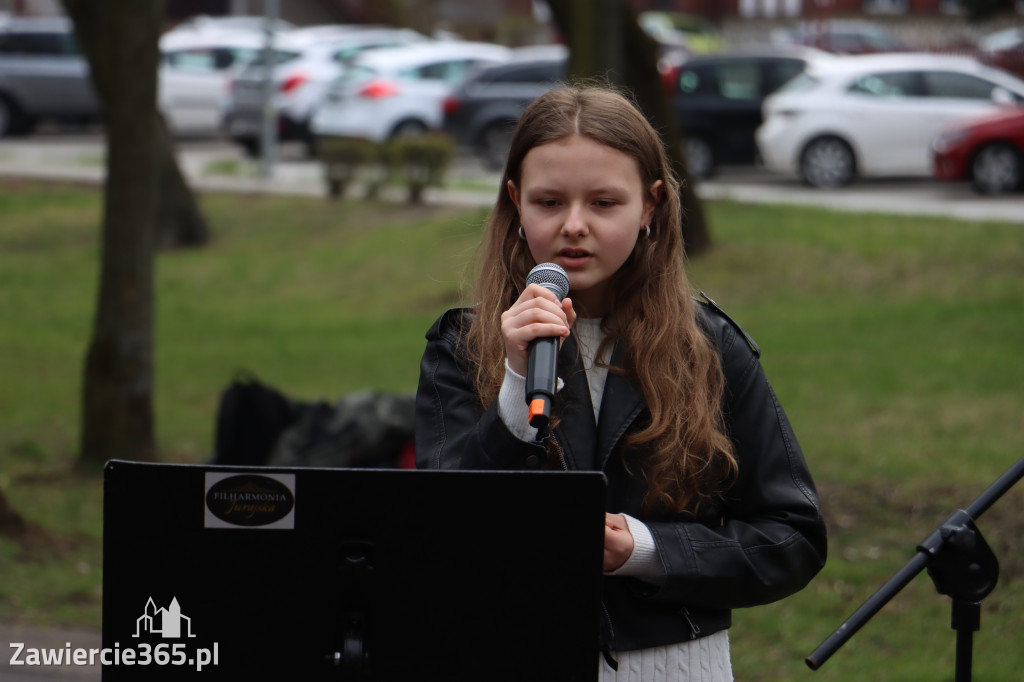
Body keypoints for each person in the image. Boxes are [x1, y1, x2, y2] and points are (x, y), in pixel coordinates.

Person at [414, 84, 827, 681]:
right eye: (548, 201)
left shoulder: (708, 347)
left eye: (604, 203)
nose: (574, 226)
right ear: (515, 202)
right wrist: (514, 385)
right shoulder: (461, 346)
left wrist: (647, 550)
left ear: (650, 206)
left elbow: (792, 538)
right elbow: (437, 533)